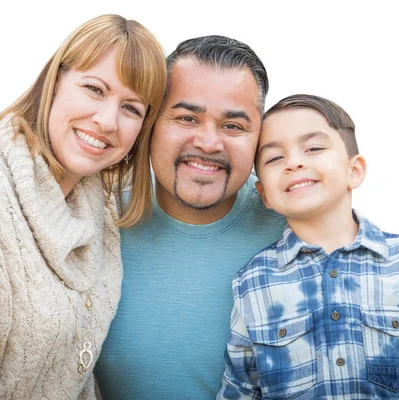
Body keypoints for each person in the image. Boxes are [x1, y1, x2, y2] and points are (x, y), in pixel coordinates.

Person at [0, 14, 166, 399]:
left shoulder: (99, 207)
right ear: (55, 81)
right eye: (94, 89)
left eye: (131, 108)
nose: (106, 120)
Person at [217, 94, 399, 399]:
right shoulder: (253, 281)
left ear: (354, 171)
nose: (294, 162)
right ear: (263, 193)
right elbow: (241, 387)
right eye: (275, 158)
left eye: (313, 148)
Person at [94, 36, 288, 398]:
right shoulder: (96, 217)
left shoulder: (296, 229)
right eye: (187, 118)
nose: (209, 143)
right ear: (151, 122)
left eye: (233, 126)